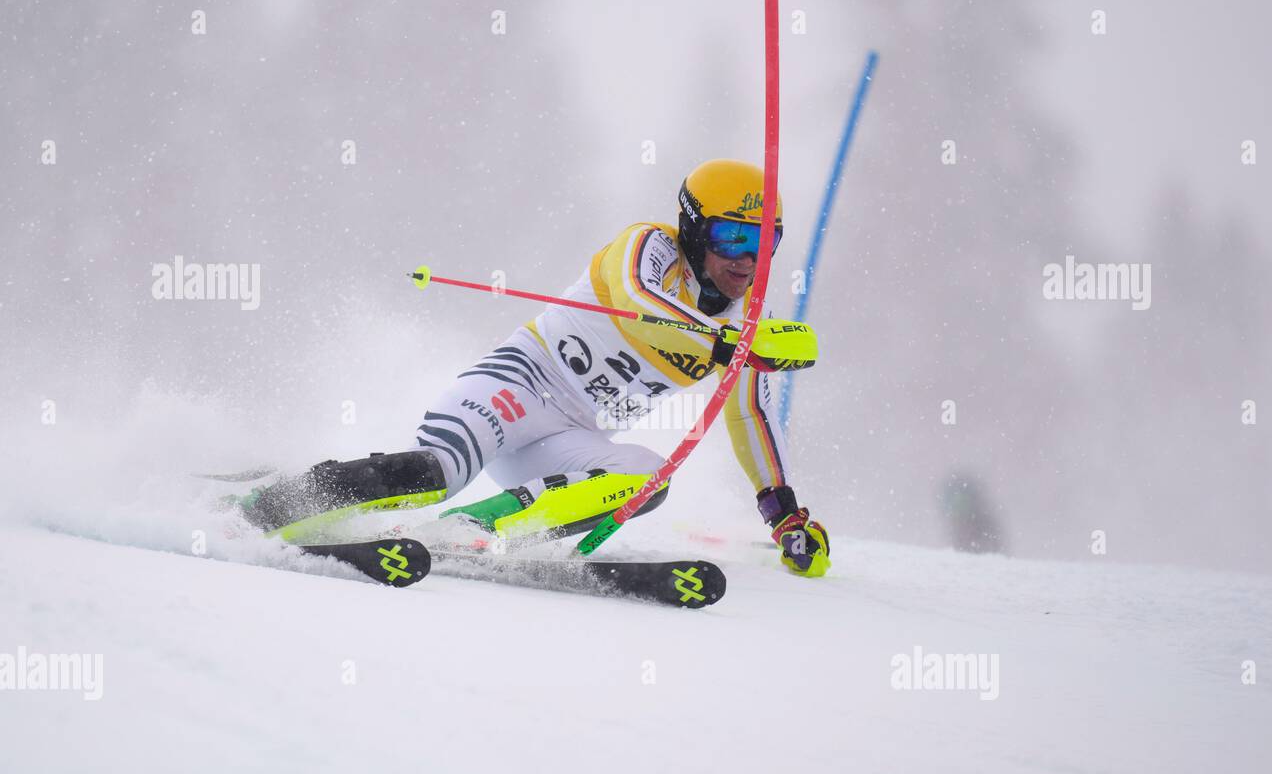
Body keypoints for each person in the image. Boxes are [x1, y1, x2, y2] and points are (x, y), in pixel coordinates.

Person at [241, 159, 830, 577]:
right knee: (435, 473)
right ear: (694, 227)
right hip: (515, 389)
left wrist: (781, 512)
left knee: (649, 477)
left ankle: (473, 530)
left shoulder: (752, 319)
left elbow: (749, 412)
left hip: (570, 439)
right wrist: (728, 345)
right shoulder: (645, 248)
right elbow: (638, 305)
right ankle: (270, 505)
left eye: (765, 241)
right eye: (732, 236)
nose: (747, 259)